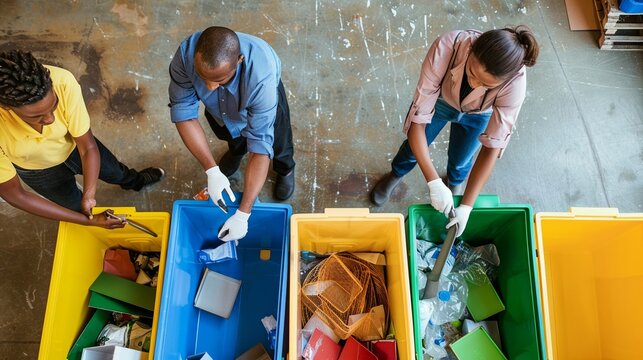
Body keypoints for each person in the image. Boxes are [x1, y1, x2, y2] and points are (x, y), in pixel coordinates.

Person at [370, 26, 539, 236]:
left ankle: (454, 184)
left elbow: (492, 147)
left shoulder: (515, 84)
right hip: (442, 100)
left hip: (480, 114)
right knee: (412, 151)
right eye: (472, 72)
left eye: (486, 84)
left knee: (461, 160)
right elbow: (418, 122)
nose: (474, 82)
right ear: (471, 50)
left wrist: (467, 207)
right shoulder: (448, 45)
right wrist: (432, 181)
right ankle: (396, 174)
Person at [0, 50, 165, 229]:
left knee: (116, 172)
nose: (50, 119)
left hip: (76, 148)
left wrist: (89, 194)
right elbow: (16, 195)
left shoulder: (62, 82)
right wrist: (90, 221)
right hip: (39, 172)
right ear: (6, 106)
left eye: (54, 106)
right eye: (36, 116)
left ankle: (136, 181)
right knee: (74, 207)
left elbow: (87, 147)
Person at [169, 26, 296, 242]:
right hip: (220, 111)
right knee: (229, 134)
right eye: (203, 77)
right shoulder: (186, 54)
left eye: (219, 80)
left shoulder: (261, 79)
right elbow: (184, 113)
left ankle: (285, 170)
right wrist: (211, 170)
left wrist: (243, 213)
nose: (208, 88)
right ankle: (236, 154)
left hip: (259, 100)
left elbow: (259, 148)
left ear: (238, 60)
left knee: (278, 143)